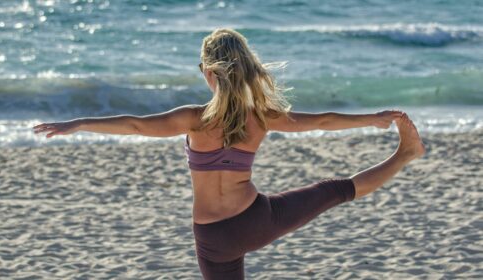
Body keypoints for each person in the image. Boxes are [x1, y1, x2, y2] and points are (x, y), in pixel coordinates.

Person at [33, 28, 425, 279]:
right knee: (337, 189)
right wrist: (371, 118)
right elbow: (321, 120)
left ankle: (405, 152)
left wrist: (79, 123)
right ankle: (405, 154)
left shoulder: (192, 119)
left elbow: (135, 125)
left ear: (207, 71)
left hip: (212, 237)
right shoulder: (263, 118)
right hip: (257, 220)